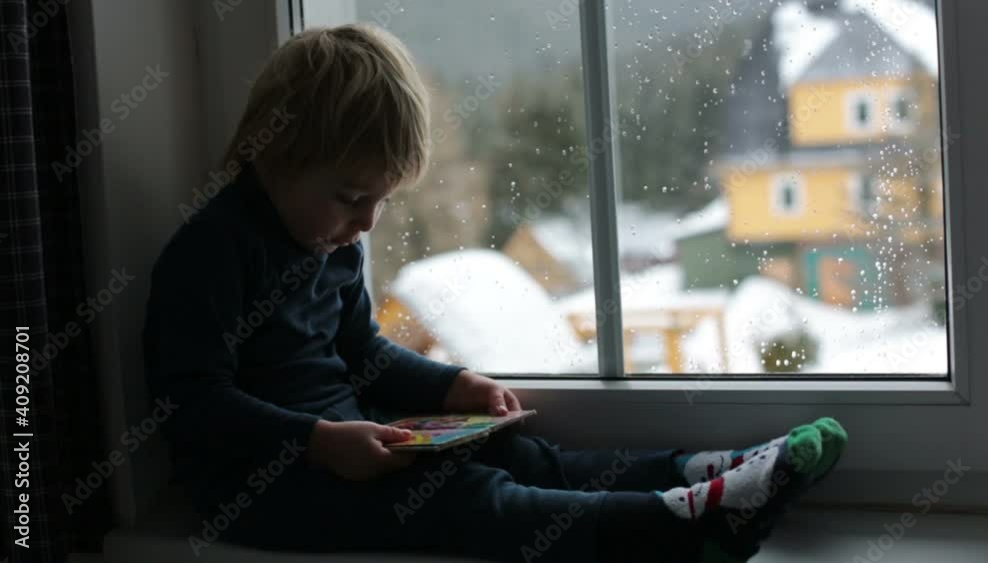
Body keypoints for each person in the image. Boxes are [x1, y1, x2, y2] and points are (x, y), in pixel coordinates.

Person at [142, 24, 847, 563]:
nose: (365, 223)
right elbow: (191, 402)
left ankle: (698, 474)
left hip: (349, 445)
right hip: (263, 493)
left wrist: (455, 387)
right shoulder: (212, 250)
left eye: (380, 201)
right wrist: (318, 441)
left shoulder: (331, 241)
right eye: (352, 196)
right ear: (274, 152)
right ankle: (681, 527)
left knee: (520, 457)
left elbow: (360, 350)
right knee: (471, 499)